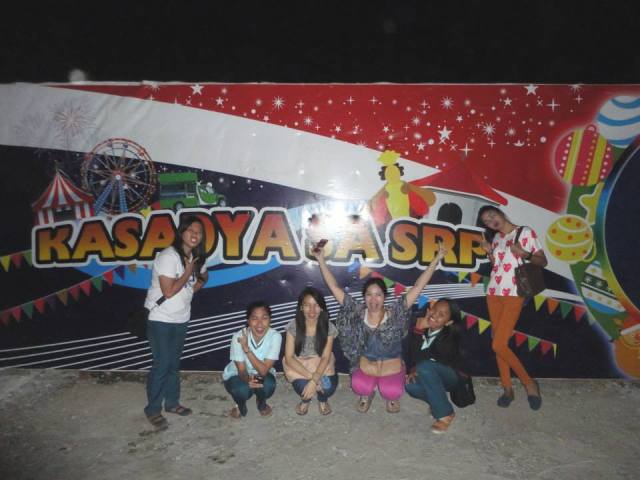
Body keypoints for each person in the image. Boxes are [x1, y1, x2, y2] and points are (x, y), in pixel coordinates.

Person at [314, 241, 447, 414]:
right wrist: (320, 259)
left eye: (378, 295)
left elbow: (418, 286)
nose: (373, 299)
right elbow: (334, 287)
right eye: (369, 295)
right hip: (366, 363)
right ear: (364, 297)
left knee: (391, 391)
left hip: (391, 363)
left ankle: (389, 395)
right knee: (359, 386)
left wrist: (436, 259)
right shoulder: (357, 311)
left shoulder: (396, 312)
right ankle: (367, 393)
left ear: (384, 297)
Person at [477, 205, 547, 410]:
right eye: (486, 221)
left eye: (492, 215)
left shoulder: (524, 232)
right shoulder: (497, 239)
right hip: (493, 293)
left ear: (500, 213)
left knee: (498, 345)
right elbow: (497, 267)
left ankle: (529, 383)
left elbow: (542, 261)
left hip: (514, 294)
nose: (491, 221)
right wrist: (490, 253)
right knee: (499, 342)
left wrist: (525, 253)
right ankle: (507, 388)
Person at [144, 215, 209, 430]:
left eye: (199, 232)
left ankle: (172, 403)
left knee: (173, 363)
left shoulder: (196, 258)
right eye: (191, 230)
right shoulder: (168, 256)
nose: (195, 235)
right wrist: (188, 271)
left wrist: (195, 284)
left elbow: (202, 278)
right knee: (162, 364)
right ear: (182, 232)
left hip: (181, 317)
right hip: (161, 318)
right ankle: (153, 409)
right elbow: (169, 291)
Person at [405, 298, 464, 434]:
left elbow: (429, 358)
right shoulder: (423, 328)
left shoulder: (449, 338)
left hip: (450, 377)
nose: (435, 315)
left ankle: (446, 413)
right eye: (434, 310)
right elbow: (413, 355)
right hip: (428, 373)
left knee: (425, 366)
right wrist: (419, 332)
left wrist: (418, 330)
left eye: (441, 314)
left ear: (448, 322)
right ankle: (437, 401)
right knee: (410, 386)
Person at [283, 286, 339, 416]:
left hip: (321, 364)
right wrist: (313, 379)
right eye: (307, 305)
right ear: (301, 307)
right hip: (300, 365)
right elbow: (289, 357)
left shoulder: (328, 327)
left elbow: (325, 357)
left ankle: (322, 400)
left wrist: (314, 381)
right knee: (303, 387)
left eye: (316, 305)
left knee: (327, 388)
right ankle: (305, 400)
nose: (312, 310)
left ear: (322, 307)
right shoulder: (293, 326)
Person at [222, 301, 281, 418]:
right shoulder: (239, 336)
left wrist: (247, 350)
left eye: (264, 318)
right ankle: (240, 404)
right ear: (248, 321)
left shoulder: (275, 336)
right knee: (241, 390)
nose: (259, 324)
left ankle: (261, 402)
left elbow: (263, 371)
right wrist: (248, 380)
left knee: (268, 385)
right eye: (254, 318)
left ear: (270, 320)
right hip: (238, 375)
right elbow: (241, 371)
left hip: (262, 374)